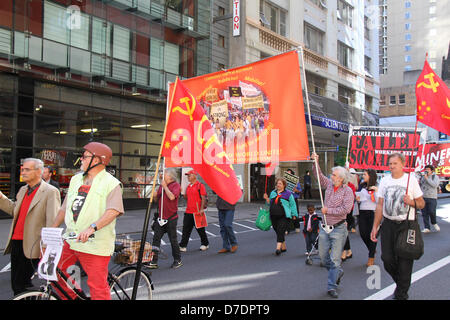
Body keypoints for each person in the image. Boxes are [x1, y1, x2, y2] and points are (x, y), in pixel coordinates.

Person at [51, 142, 124, 300]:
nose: (81, 160)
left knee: (97, 287)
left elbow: (113, 210)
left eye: (84, 157)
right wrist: (52, 228)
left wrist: (92, 228)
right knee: (57, 272)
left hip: (95, 242)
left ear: (97, 160)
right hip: (71, 239)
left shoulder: (111, 183)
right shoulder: (76, 180)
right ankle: (76, 297)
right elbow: (65, 207)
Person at [0, 158, 60, 296]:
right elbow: (15, 210)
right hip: (16, 242)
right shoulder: (22, 190)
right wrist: (1, 198)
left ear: (39, 171)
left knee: (23, 285)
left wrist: (46, 247)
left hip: (33, 245)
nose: (23, 172)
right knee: (16, 284)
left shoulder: (50, 192)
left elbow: (52, 222)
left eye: (27, 169)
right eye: (22, 169)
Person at [370, 153, 425, 300]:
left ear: (402, 164)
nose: (392, 166)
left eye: (395, 163)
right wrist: (375, 226)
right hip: (388, 225)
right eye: (390, 164)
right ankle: (402, 285)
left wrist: (411, 202)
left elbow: (421, 204)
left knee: (405, 263)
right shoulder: (384, 181)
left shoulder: (411, 180)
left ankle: (401, 295)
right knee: (387, 260)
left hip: (407, 225)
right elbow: (380, 205)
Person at [310, 153, 354, 299]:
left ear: (341, 178)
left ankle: (331, 286)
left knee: (335, 259)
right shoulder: (329, 184)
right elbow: (319, 176)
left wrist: (328, 210)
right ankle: (337, 271)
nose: (331, 176)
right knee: (323, 257)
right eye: (332, 174)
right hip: (325, 227)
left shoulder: (348, 191)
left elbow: (346, 210)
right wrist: (315, 162)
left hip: (339, 228)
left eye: (334, 175)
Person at [149, 169, 182, 269]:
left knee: (173, 240)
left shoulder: (176, 185)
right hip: (161, 217)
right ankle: (154, 261)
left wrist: (164, 187)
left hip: (171, 217)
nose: (163, 176)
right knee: (156, 239)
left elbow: (172, 197)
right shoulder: (162, 185)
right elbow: (157, 199)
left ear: (171, 177)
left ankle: (177, 259)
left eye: (165, 174)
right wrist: (154, 195)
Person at [263, 178, 298, 256]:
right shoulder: (273, 193)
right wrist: (267, 199)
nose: (278, 185)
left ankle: (278, 249)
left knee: (280, 229)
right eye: (277, 183)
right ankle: (283, 247)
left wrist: (294, 214)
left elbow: (292, 205)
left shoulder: (288, 194)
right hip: (273, 216)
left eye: (280, 184)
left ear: (284, 185)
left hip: (284, 216)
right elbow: (269, 204)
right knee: (277, 230)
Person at [179, 170, 209, 252]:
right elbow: (187, 198)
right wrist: (183, 193)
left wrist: (202, 209)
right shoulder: (188, 186)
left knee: (200, 230)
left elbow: (203, 197)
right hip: (188, 211)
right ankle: (183, 245)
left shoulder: (200, 185)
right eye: (187, 176)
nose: (188, 177)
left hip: (197, 211)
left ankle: (205, 244)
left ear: (194, 176)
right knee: (186, 230)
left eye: (189, 175)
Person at [356, 169, 378, 267]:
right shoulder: (362, 186)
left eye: (365, 174)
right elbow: (359, 197)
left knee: (372, 235)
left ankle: (371, 257)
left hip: (373, 212)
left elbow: (379, 201)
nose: (363, 176)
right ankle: (371, 248)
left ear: (370, 176)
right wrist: (357, 199)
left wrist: (375, 192)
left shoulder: (377, 186)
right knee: (363, 233)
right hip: (362, 211)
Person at [419, 165, 440, 233]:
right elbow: (421, 184)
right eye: (425, 169)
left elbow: (435, 185)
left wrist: (427, 178)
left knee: (432, 211)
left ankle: (434, 222)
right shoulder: (423, 177)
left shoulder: (435, 177)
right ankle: (427, 227)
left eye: (428, 169)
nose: (426, 170)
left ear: (432, 170)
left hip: (432, 197)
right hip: (423, 197)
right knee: (424, 213)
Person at [341, 178, 356, 262]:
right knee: (343, 232)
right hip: (338, 211)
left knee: (343, 231)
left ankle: (344, 251)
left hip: (347, 211)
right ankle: (349, 251)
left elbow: (350, 198)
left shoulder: (350, 186)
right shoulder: (338, 186)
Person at [287, 169, 301, 233]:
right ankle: (289, 228)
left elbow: (300, 191)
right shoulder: (284, 182)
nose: (288, 175)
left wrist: (296, 190)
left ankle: (297, 226)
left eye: (290, 173)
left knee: (295, 213)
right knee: (287, 213)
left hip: (294, 199)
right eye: (287, 174)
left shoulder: (296, 182)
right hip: (287, 200)